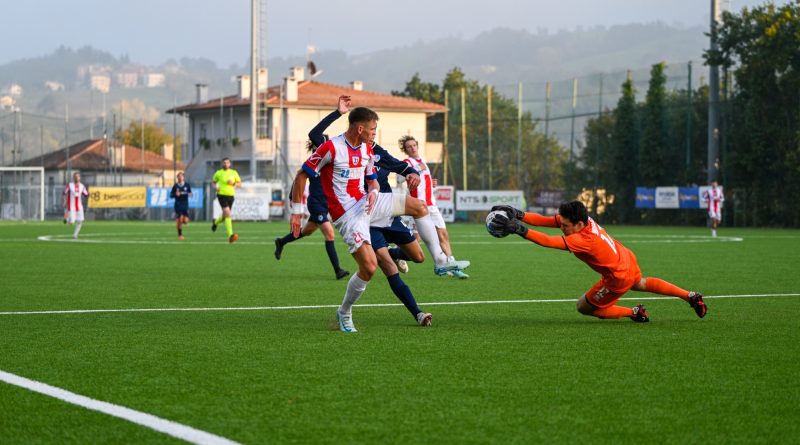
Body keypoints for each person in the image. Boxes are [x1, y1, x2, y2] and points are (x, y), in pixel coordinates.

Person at [305, 96, 435, 326]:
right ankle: (417, 313)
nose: (375, 132)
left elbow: (397, 165)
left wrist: (410, 173)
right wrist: (338, 113)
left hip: (383, 210)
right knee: (383, 265)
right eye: (373, 128)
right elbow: (314, 135)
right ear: (360, 128)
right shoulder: (335, 147)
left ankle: (416, 256)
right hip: (361, 217)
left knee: (418, 257)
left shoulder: (372, 149)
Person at [488, 201, 707, 322]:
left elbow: (548, 241)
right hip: (627, 259)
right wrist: (519, 214)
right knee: (640, 282)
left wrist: (519, 229)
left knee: (584, 307)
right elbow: (547, 221)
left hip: (617, 277)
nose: (561, 226)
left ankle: (634, 312)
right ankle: (690, 296)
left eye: (565, 225)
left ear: (579, 224)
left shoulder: (584, 240)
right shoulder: (584, 221)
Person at [274, 139, 351, 280]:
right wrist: (292, 196)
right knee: (330, 235)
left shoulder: (330, 162)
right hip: (315, 204)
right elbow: (299, 177)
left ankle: (281, 241)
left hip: (325, 204)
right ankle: (338, 270)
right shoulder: (313, 163)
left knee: (306, 232)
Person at [398, 135, 470, 278]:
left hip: (432, 205)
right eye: (409, 147)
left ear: (417, 146)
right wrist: (418, 168)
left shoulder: (422, 161)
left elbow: (421, 181)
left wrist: (431, 183)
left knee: (443, 234)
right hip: (418, 207)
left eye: (414, 145)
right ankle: (397, 255)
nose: (412, 148)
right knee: (415, 239)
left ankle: (452, 266)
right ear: (405, 150)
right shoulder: (407, 162)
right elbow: (400, 178)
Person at [211, 157, 241, 243]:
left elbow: (239, 184)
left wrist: (234, 183)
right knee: (228, 214)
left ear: (230, 164)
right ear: (222, 164)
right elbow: (213, 182)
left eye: (227, 163)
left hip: (231, 196)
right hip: (221, 195)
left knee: (225, 216)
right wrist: (215, 187)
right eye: (224, 163)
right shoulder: (218, 173)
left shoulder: (233, 173)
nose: (226, 164)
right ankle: (230, 235)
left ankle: (215, 223)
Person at [62, 172, 89, 239]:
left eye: (78, 176)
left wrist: (89, 194)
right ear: (73, 178)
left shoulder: (82, 186)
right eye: (76, 176)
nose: (77, 178)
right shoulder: (69, 185)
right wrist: (64, 201)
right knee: (72, 222)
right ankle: (66, 217)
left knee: (80, 221)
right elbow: (64, 193)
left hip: (79, 206)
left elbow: (86, 194)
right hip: (71, 206)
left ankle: (75, 235)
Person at [170, 172, 192, 240]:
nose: (180, 178)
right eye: (179, 177)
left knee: (185, 221)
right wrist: (175, 194)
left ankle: (178, 222)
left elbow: (190, 193)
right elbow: (171, 195)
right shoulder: (175, 186)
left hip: (185, 205)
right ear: (177, 178)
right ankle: (180, 235)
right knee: (180, 218)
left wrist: (190, 194)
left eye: (181, 176)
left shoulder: (187, 185)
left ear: (183, 177)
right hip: (178, 205)